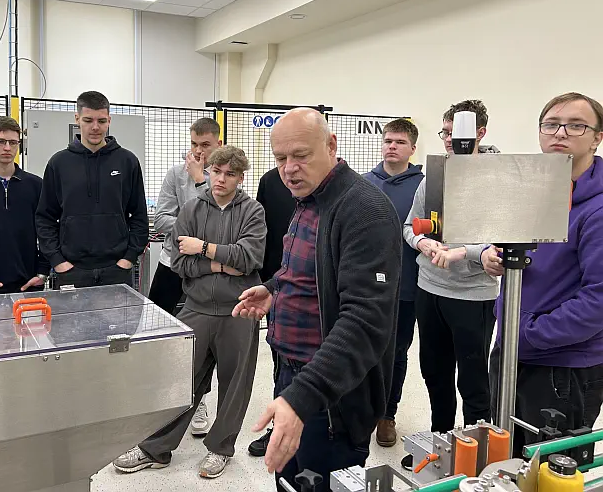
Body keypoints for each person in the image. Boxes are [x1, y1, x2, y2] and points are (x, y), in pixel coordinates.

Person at [232, 108, 402, 490]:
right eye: (280, 158)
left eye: (300, 155)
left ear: (331, 145)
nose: (289, 169)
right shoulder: (308, 199)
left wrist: (302, 397)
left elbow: (364, 322)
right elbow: (312, 269)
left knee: (319, 482)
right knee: (289, 482)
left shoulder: (365, 211)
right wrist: (275, 289)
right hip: (292, 377)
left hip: (332, 396)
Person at [113, 146, 266, 480]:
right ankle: (155, 448)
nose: (221, 179)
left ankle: (221, 448)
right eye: (216, 172)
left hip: (239, 310)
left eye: (230, 174)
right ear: (207, 171)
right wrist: (219, 264)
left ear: (240, 178)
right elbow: (180, 262)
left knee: (235, 384)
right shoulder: (192, 209)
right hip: (196, 308)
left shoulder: (253, 211)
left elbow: (250, 258)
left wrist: (204, 249)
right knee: (180, 381)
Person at [484, 92, 603, 454]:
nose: (560, 133)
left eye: (576, 125)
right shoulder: (535, 192)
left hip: (562, 368)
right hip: (511, 350)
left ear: (597, 138)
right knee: (506, 459)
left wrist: (529, 334)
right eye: (551, 124)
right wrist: (493, 256)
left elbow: (598, 301)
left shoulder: (597, 210)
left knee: (550, 467)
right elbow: (514, 248)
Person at [401, 100, 499, 470]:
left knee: (473, 381)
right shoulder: (434, 178)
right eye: (444, 132)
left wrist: (465, 252)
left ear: (479, 133)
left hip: (472, 296)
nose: (448, 140)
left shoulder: (497, 180)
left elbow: (503, 239)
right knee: (435, 374)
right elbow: (410, 226)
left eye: (454, 133)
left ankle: (478, 456)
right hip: (430, 290)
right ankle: (440, 445)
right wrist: (422, 243)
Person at [151, 117, 222, 436]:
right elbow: (160, 219)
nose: (198, 151)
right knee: (160, 331)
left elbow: (222, 224)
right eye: (194, 144)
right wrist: (193, 228)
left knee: (203, 337)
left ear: (218, 144)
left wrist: (200, 180)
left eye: (205, 145)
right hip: (172, 263)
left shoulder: (227, 177)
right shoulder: (174, 174)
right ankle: (162, 397)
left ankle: (199, 399)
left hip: (206, 268)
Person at [36, 91, 148, 289]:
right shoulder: (58, 163)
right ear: (77, 119)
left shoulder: (127, 161)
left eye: (101, 121)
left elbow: (139, 214)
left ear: (109, 121)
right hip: (71, 271)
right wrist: (58, 261)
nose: (95, 127)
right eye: (88, 120)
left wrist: (129, 258)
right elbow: (45, 218)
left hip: (117, 270)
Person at [364, 118, 424, 448]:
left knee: (397, 352)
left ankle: (387, 414)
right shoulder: (364, 183)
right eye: (388, 140)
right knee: (364, 349)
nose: (392, 146)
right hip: (366, 286)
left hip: (407, 285)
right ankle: (361, 410)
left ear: (412, 148)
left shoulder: (424, 187)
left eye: (400, 142)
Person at [248, 166, 296, 457]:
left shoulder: (341, 188)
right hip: (276, 285)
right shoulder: (270, 181)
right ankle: (280, 426)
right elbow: (262, 235)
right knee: (281, 360)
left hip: (323, 291)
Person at [0, 116, 50, 295]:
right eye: (0, 141)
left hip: (29, 283)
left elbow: (48, 229)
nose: (7, 148)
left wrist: (43, 271)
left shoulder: (36, 185)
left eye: (13, 142)